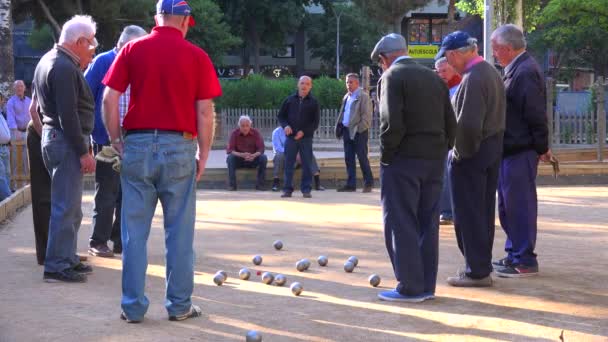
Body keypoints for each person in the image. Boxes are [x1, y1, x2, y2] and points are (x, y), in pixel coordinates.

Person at [102, 0, 221, 323]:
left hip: (138, 145)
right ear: (184, 22)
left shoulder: (132, 50)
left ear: (157, 18)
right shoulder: (197, 56)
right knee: (179, 233)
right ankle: (179, 305)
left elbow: (110, 97)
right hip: (179, 146)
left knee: (133, 233)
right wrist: (204, 154)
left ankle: (132, 307)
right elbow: (205, 111)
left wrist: (116, 140)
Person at [373, 33, 456, 303]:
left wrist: (387, 157)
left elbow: (390, 124)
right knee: (427, 223)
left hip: (403, 160)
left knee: (400, 220)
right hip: (434, 161)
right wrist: (440, 149)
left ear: (384, 59)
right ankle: (426, 286)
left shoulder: (391, 77)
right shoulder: (434, 77)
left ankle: (409, 286)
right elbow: (450, 123)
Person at [436, 31, 506, 287]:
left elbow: (468, 125)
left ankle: (476, 271)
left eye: (447, 58)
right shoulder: (489, 71)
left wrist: (457, 155)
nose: (447, 63)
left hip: (472, 155)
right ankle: (480, 266)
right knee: (482, 212)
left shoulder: (473, 78)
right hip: (490, 150)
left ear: (454, 54)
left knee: (468, 214)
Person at [32, 15, 98, 283]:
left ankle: (66, 258)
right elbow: (67, 115)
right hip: (66, 141)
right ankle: (57, 265)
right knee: (65, 205)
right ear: (79, 41)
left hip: (56, 138)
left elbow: (39, 109)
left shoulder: (49, 61)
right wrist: (83, 151)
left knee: (70, 206)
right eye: (91, 45)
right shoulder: (63, 66)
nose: (92, 50)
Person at [491, 24, 551, 278]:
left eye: (495, 49)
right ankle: (515, 252)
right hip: (511, 150)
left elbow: (535, 113)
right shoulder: (515, 69)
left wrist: (541, 147)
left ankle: (525, 259)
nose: (493, 54)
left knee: (520, 206)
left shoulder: (525, 71)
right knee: (508, 207)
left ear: (506, 48)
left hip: (521, 150)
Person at [85, 25, 147, 258]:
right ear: (123, 45)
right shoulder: (103, 61)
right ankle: (97, 241)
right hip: (107, 140)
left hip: (134, 139)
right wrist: (89, 135)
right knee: (107, 192)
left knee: (129, 193)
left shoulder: (139, 64)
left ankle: (120, 240)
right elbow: (86, 96)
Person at [277, 76, 320, 198]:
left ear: (310, 86)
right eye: (302, 83)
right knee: (289, 163)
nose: (304, 86)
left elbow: (315, 122)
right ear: (298, 85)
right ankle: (287, 190)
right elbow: (281, 116)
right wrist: (285, 126)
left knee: (307, 164)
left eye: (307, 84)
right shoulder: (289, 100)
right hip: (291, 138)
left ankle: (306, 190)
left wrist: (304, 132)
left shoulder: (314, 102)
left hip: (306, 138)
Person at [335, 73, 374, 193]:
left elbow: (366, 118)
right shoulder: (347, 96)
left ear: (357, 83)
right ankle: (351, 184)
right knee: (349, 158)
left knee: (362, 158)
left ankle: (368, 183)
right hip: (347, 131)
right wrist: (340, 125)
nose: (348, 84)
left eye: (351, 82)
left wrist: (358, 129)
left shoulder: (364, 96)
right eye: (347, 82)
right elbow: (344, 113)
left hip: (359, 132)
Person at [434, 57, 462, 225]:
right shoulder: (438, 87)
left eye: (445, 70)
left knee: (448, 175)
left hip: (457, 138)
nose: (441, 74)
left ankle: (448, 211)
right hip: (441, 137)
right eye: (439, 72)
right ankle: (445, 210)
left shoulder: (460, 86)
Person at [271, 126, 324, 192]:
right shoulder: (276, 132)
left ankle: (317, 182)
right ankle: (276, 183)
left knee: (308, 154)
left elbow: (301, 144)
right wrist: (292, 152)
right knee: (279, 155)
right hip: (284, 157)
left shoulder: (296, 130)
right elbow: (278, 148)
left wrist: (298, 153)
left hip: (296, 158)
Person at [226, 115, 267, 191]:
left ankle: (260, 185)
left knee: (263, 158)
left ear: (250, 125)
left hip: (253, 159)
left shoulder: (256, 133)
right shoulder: (234, 133)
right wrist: (242, 155)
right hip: (240, 160)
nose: (245, 128)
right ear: (239, 126)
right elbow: (230, 150)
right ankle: (232, 185)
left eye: (247, 126)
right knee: (230, 158)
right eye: (242, 126)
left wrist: (253, 155)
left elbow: (261, 149)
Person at [6, 80, 32, 189]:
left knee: (28, 157)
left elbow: (32, 115)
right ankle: (15, 185)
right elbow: (11, 117)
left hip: (28, 131)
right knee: (16, 158)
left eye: (21, 86)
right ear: (14, 89)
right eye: (17, 87)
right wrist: (15, 130)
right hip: (16, 132)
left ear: (24, 88)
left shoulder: (29, 101)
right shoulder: (11, 102)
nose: (19, 88)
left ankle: (28, 183)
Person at [0, 107, 12, 201]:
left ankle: (5, 200)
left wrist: (9, 142)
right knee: (1, 175)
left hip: (5, 146)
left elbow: (5, 130)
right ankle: (8, 199)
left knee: (7, 173)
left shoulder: (1, 114)